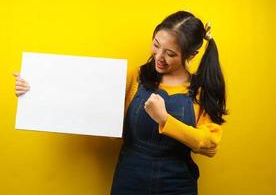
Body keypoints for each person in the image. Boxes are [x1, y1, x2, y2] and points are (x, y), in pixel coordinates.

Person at [13, 11, 227, 195]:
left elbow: (209, 144)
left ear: (192, 54)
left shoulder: (201, 88)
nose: (159, 56)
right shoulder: (137, 76)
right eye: (156, 45)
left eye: (170, 53)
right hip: (130, 178)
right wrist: (33, 90)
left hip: (178, 183)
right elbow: (85, 100)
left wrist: (165, 119)